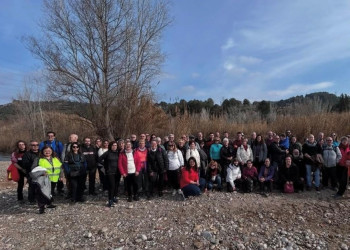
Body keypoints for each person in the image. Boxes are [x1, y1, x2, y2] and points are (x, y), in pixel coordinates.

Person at [99, 141, 121, 207]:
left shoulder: (118, 153)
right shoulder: (107, 153)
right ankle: (110, 200)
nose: (114, 147)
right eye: (113, 145)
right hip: (110, 172)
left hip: (117, 171)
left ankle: (114, 197)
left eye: (115, 145)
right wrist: (105, 166)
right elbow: (99, 159)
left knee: (116, 186)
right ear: (110, 146)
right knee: (112, 186)